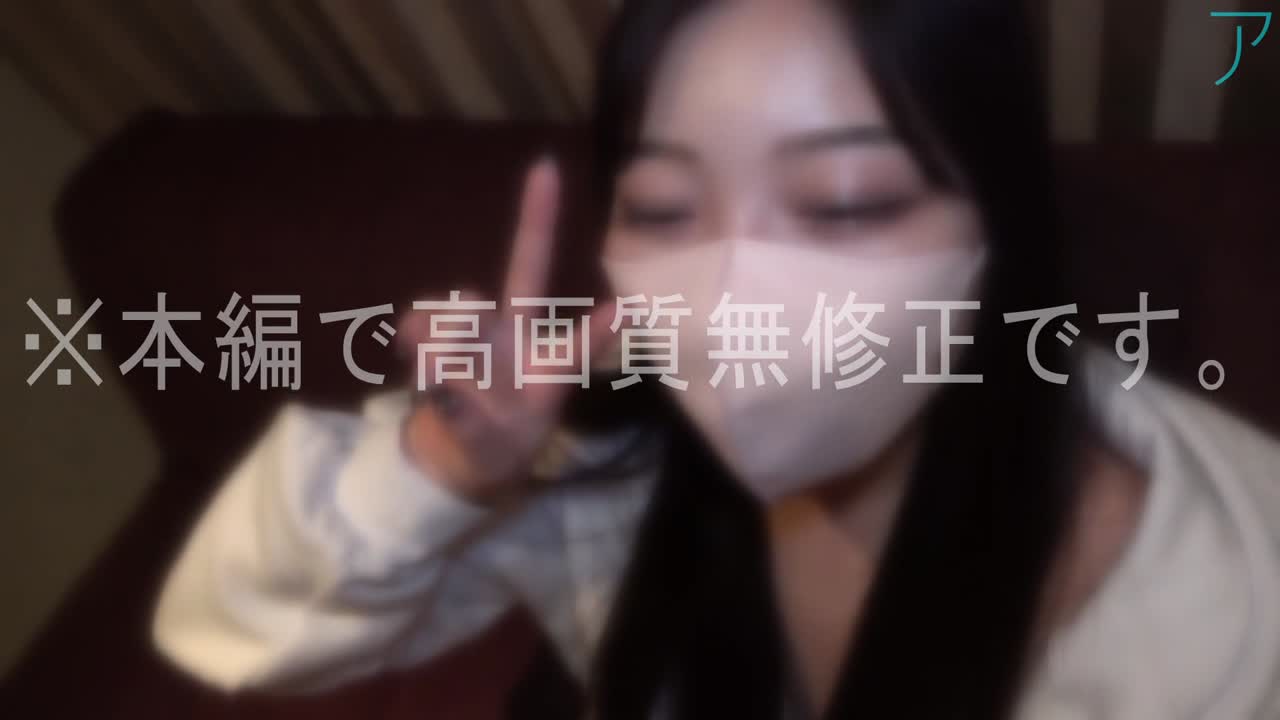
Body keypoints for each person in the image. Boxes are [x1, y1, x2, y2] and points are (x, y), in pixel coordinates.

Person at [151, 1, 1280, 718]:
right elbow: (234, 623)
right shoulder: (591, 440)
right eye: (662, 207)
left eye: (845, 204)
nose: (734, 296)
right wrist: (445, 467)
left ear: (1001, 228)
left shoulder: (1222, 619)